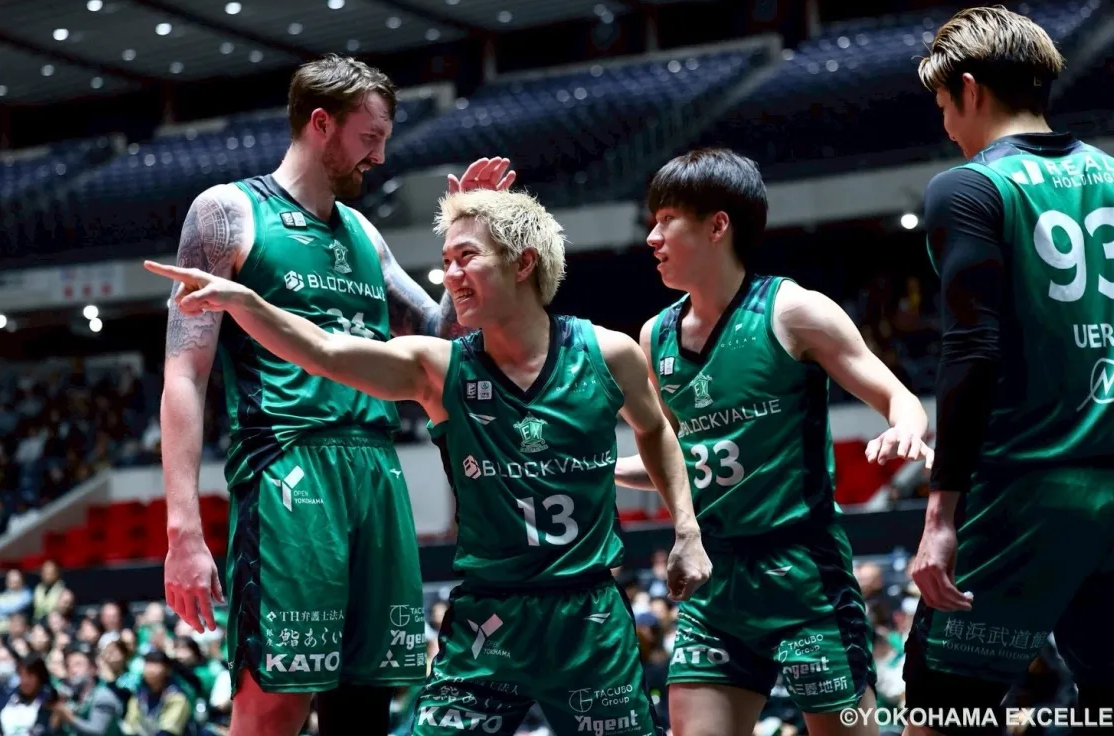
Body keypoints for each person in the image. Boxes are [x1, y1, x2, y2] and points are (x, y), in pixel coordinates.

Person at [145, 185, 712, 736]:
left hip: (587, 615)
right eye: (446, 261)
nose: (451, 276)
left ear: (523, 263)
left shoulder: (608, 353)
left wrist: (687, 529)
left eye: (466, 257)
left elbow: (657, 432)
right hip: (489, 618)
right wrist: (245, 301)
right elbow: (323, 352)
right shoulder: (437, 366)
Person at [157, 53, 515, 736]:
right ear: (321, 124)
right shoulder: (228, 213)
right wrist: (183, 532)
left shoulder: (363, 234)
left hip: (376, 469)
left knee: (367, 703)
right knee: (274, 705)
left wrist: (474, 235)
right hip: (289, 468)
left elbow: (440, 336)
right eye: (368, 138)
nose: (379, 157)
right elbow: (184, 373)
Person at [902, 5, 1114, 735]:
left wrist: (940, 516)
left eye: (942, 104)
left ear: (969, 88)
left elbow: (971, 350)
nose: (946, 125)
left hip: (1026, 496)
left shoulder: (968, 187)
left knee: (939, 716)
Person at [613, 147, 934, 736]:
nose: (652, 237)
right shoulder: (655, 336)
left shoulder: (794, 312)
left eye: (667, 220)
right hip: (713, 578)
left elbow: (900, 399)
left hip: (802, 575)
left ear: (717, 225)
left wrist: (906, 429)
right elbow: (673, 459)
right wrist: (599, 466)